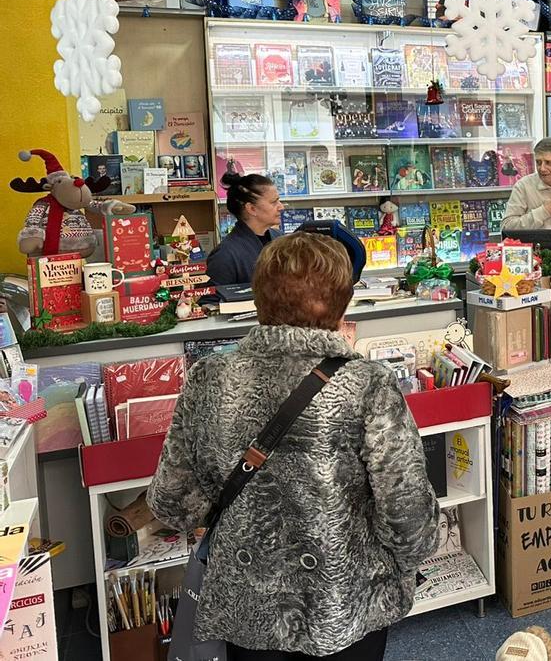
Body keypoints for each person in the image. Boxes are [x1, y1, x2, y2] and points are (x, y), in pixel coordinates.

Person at [148, 232, 439, 660]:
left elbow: (172, 502)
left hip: (247, 601)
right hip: (345, 598)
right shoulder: (367, 383)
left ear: (259, 296)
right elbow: (406, 509)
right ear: (342, 300)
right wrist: (410, 559)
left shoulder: (209, 377)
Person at [206, 172, 284, 286]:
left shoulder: (281, 239)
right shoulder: (225, 255)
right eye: (274, 202)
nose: (281, 207)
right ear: (252, 209)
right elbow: (213, 296)